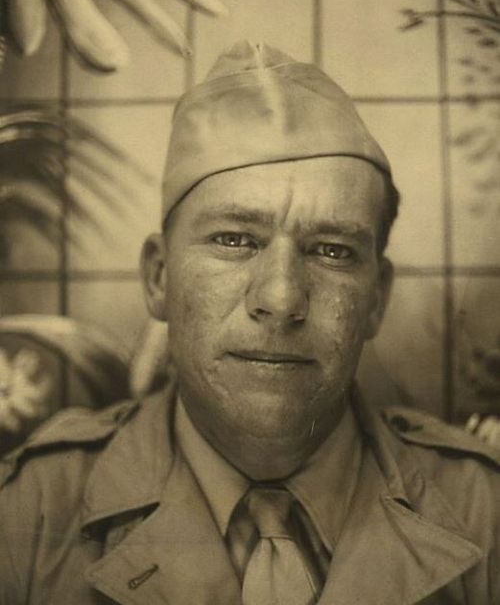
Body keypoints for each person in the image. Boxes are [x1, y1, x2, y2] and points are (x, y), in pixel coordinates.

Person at [1, 40, 499, 605]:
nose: (281, 298)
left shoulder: (485, 511)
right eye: (235, 240)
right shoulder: (31, 512)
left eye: (332, 250)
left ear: (377, 299)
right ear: (159, 278)